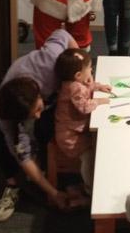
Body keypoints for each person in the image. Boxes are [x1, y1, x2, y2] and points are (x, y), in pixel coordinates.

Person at [0, 28, 77, 222]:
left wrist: (79, 70)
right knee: (1, 133)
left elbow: (63, 34)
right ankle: (12, 183)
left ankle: (59, 169)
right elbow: (24, 157)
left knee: (49, 125)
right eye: (33, 114)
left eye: (38, 108)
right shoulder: (6, 114)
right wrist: (53, 193)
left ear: (39, 94)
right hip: (11, 103)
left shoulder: (49, 62)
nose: (37, 115)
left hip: (46, 83)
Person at [53, 48, 111, 202]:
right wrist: (98, 101)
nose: (91, 71)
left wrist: (96, 86)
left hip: (74, 130)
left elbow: (85, 87)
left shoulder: (74, 83)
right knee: (90, 155)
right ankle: (89, 189)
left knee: (97, 145)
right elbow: (84, 107)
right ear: (78, 75)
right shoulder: (74, 88)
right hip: (69, 136)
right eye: (89, 69)